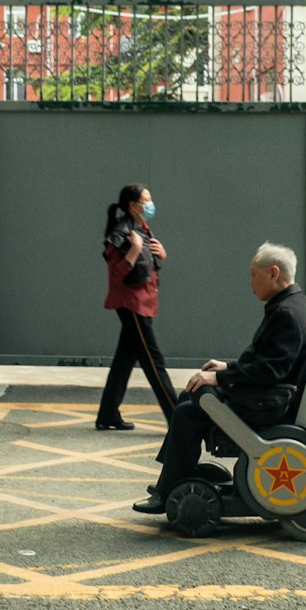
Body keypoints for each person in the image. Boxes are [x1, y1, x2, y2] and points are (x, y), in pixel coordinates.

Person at [132, 242, 306, 513]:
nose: (250, 282)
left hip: (269, 404)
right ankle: (173, 476)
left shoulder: (286, 314)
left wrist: (220, 379)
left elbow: (270, 371)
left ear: (274, 273)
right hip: (273, 394)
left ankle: (166, 489)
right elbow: (270, 362)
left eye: (254, 274)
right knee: (190, 395)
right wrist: (225, 367)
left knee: (188, 412)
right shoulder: (295, 304)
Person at [95, 182, 178, 431]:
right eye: (147, 200)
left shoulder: (141, 227)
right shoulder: (122, 234)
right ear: (133, 206)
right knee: (154, 361)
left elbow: (146, 264)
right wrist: (134, 250)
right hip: (132, 304)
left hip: (144, 301)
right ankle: (177, 419)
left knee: (124, 359)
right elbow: (117, 272)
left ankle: (108, 414)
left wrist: (160, 254)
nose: (151, 205)